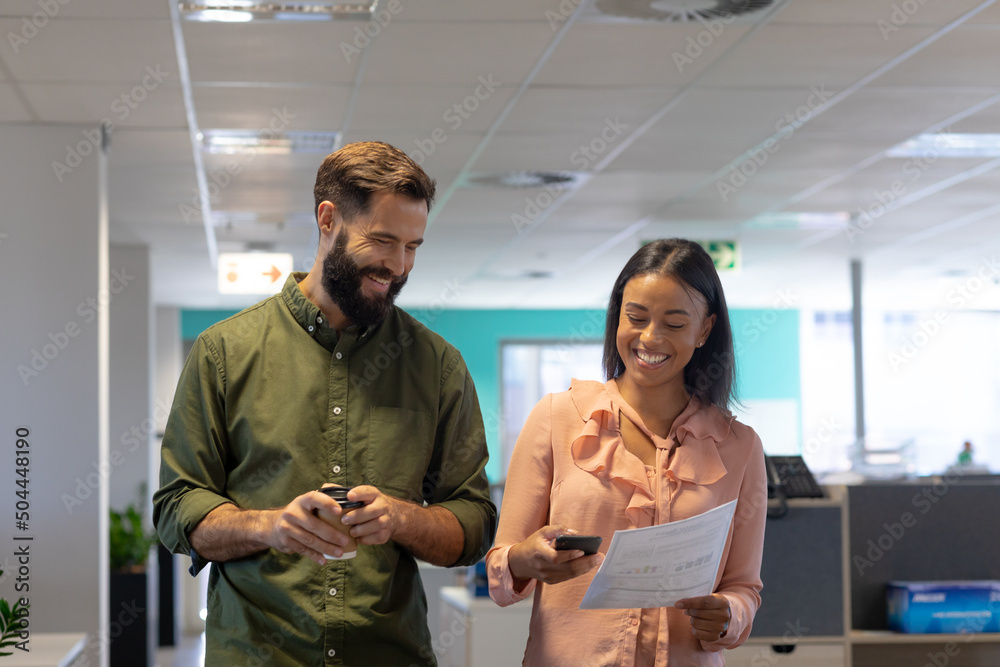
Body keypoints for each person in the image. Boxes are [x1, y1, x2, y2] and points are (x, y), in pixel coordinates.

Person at [153, 141, 497, 666]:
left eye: (412, 246)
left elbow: (473, 522)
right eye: (382, 240)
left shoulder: (437, 366)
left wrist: (400, 519)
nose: (398, 266)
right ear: (328, 219)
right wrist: (270, 526)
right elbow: (178, 506)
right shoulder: (224, 353)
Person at [487, 239, 767, 666]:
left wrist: (729, 615)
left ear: (704, 330)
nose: (650, 338)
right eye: (636, 317)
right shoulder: (556, 418)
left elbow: (744, 587)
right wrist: (526, 560)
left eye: (674, 324)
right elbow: (502, 569)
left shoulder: (739, 446)